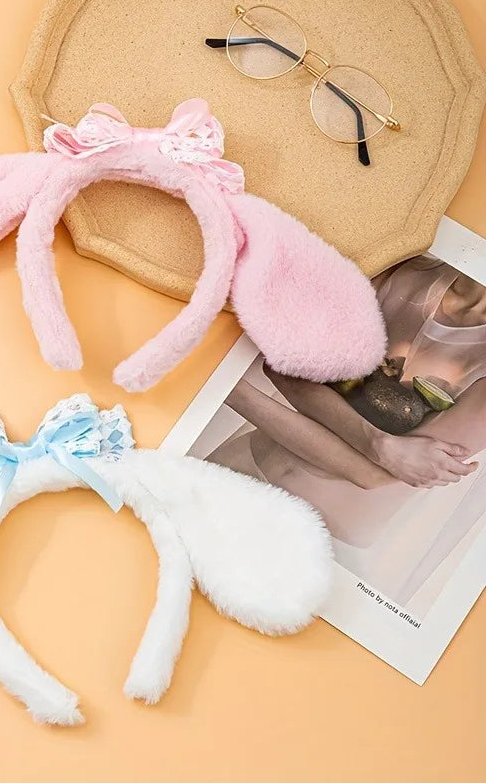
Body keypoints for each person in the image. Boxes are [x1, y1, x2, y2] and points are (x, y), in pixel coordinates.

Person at [207, 257, 486, 608]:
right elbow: (286, 368)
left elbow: (373, 476)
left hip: (317, 541)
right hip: (238, 466)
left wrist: (228, 388)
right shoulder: (404, 273)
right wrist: (381, 444)